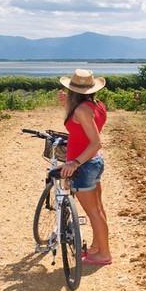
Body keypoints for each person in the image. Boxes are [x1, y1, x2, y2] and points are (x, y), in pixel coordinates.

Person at [57, 69, 111, 265]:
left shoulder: (81, 110)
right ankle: (98, 247)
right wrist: (67, 105)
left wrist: (75, 162)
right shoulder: (96, 105)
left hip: (84, 165)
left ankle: (104, 254)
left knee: (93, 212)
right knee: (98, 209)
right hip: (94, 162)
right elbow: (80, 124)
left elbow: (96, 142)